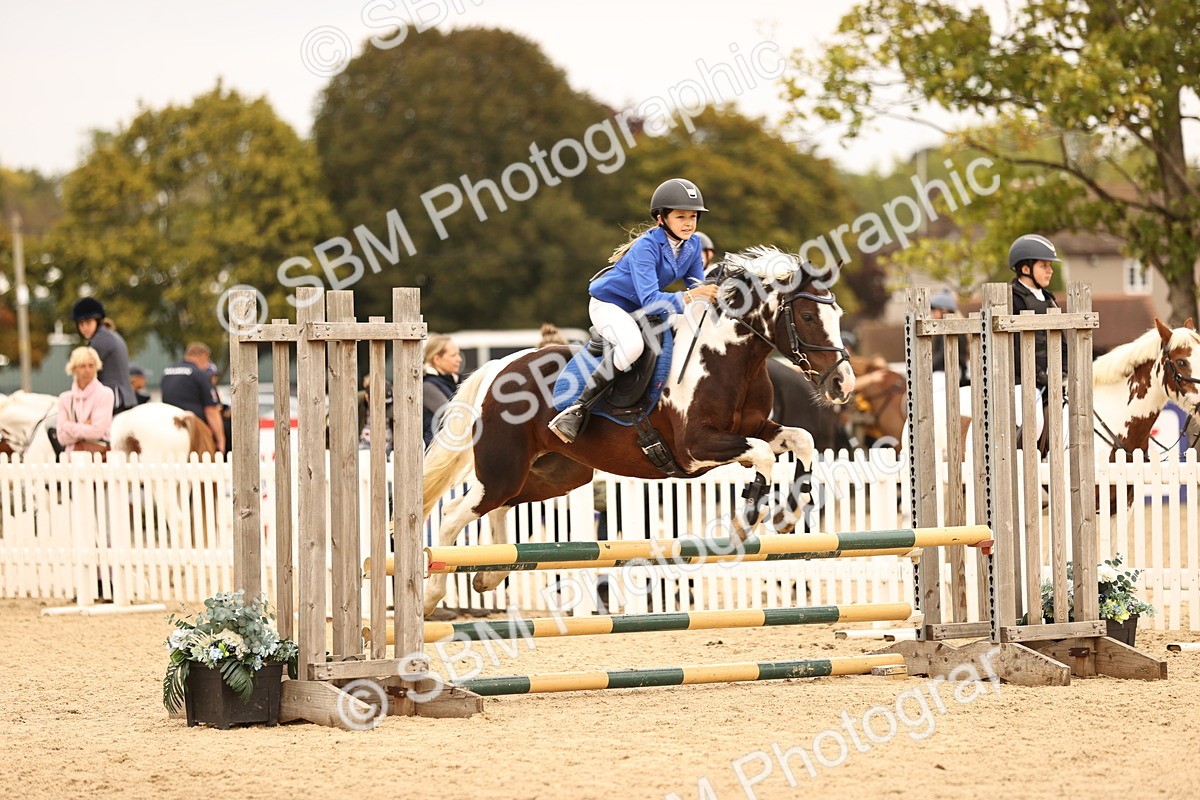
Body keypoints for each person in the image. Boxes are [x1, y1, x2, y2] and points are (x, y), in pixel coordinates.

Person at [548, 178, 719, 443]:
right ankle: (578, 409)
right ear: (661, 218)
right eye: (681, 216)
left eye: (693, 216)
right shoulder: (646, 247)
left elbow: (698, 287)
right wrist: (692, 296)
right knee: (632, 346)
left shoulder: (694, 245)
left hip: (642, 308)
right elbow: (653, 299)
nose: (689, 223)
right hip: (610, 306)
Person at [1009, 234, 1068, 393]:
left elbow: (1062, 342)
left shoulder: (1049, 299)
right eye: (1044, 266)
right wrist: (1039, 375)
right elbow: (1012, 350)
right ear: (1026, 269)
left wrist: (1063, 369)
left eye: (1050, 265)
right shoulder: (1012, 300)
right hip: (1020, 383)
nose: (1050, 271)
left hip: (1051, 380)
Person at [71, 298, 135, 414]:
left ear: (97, 321)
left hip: (114, 399)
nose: (84, 328)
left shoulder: (101, 339)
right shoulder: (110, 335)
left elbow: (86, 374)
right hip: (122, 396)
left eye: (88, 323)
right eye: (81, 324)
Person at [160, 342, 226, 453]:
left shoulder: (167, 372)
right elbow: (211, 411)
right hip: (193, 427)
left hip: (168, 423)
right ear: (204, 356)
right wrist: (221, 440)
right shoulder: (199, 374)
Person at [54, 346, 114, 455]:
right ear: (73, 369)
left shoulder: (105, 394)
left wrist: (68, 425)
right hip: (70, 459)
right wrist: (85, 426)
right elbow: (61, 438)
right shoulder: (65, 399)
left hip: (98, 458)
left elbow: (97, 432)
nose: (87, 370)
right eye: (82, 366)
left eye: (91, 366)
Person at [423, 334, 462, 447]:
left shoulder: (455, 381)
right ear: (437, 359)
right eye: (453, 355)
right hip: (437, 453)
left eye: (458, 354)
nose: (459, 359)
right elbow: (453, 417)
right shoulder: (428, 386)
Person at [929, 289, 970, 385]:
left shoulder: (951, 329)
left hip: (950, 371)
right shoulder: (947, 328)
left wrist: (928, 367)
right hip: (948, 370)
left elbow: (942, 355)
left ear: (944, 310)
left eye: (935, 310)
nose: (933, 314)